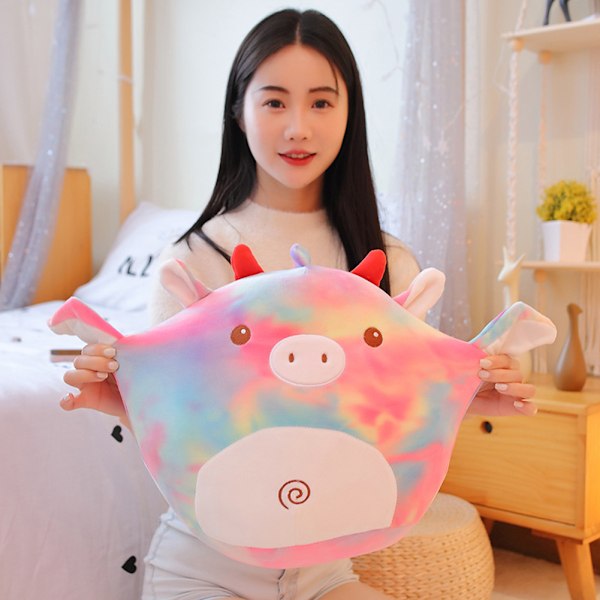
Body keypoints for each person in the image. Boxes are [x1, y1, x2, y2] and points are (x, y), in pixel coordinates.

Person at [61, 9, 536, 600]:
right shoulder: (193, 259)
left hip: (325, 571)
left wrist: (464, 397)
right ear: (239, 111)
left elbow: (388, 417)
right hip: (203, 563)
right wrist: (123, 399)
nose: (298, 128)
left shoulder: (391, 263)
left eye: (321, 102)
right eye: (274, 102)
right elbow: (184, 430)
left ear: (349, 112)